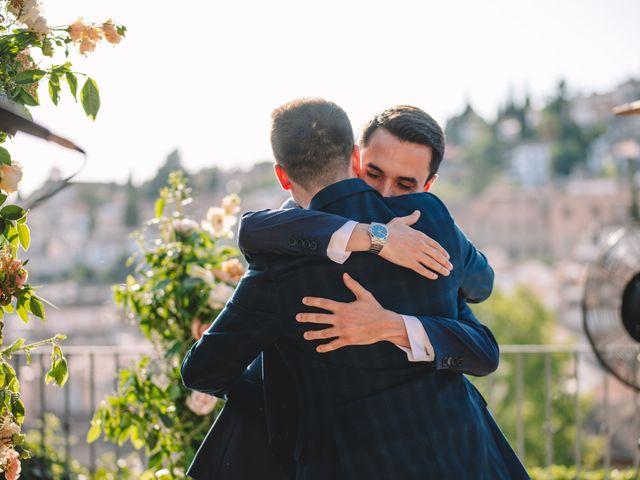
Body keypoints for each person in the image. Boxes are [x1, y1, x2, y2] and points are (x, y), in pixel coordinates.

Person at [181, 98, 529, 479]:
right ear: (355, 157)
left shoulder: (287, 259)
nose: (383, 195)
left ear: (427, 186)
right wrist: (376, 237)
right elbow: (256, 228)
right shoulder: (430, 222)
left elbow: (482, 303)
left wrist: (392, 326)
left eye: (405, 184)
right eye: (374, 173)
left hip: (449, 455)